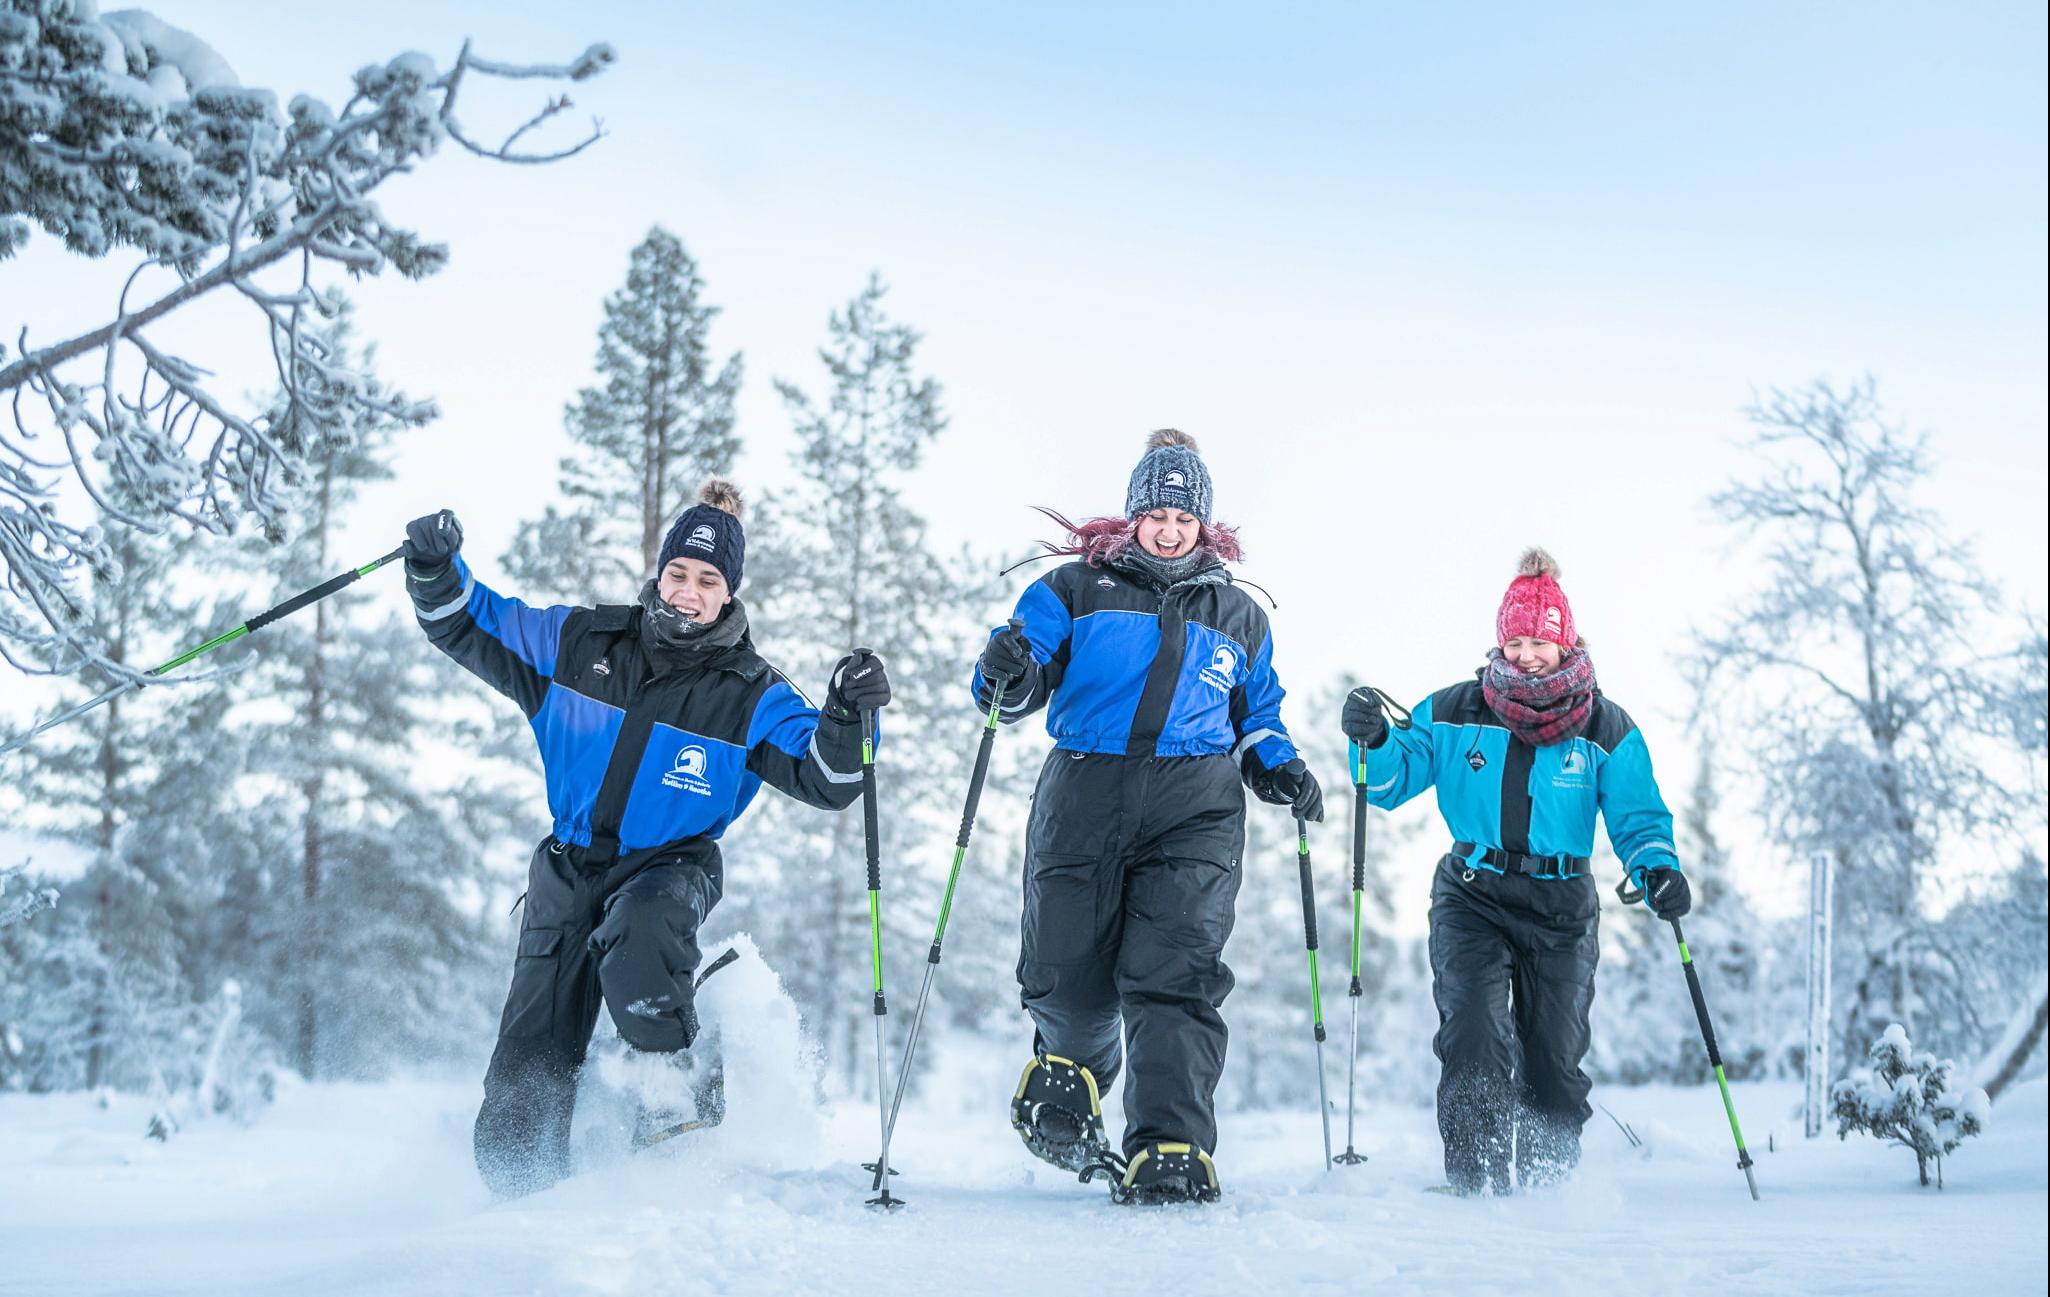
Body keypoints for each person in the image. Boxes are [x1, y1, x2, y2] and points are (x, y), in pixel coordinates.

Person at [402, 479, 891, 1197]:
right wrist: (435, 567)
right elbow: (467, 621)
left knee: (640, 930)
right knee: (516, 1107)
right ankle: (524, 1218)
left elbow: (830, 777)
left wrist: (848, 712)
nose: (688, 591)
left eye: (708, 579)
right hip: (566, 873)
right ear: (659, 573)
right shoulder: (580, 644)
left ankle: (676, 1112)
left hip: (668, 870)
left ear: (730, 593)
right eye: (678, 573)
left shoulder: (749, 692)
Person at [973, 429, 1323, 1205]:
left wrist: (1279, 765)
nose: (1169, 528)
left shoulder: (1239, 616)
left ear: (1205, 524)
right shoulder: (1073, 588)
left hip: (1195, 808)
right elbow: (1020, 673)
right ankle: (1076, 1071)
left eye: (1184, 516)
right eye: (1157, 513)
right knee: (1065, 973)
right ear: (1134, 516)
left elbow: (1257, 714)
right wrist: (1007, 669)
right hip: (1084, 790)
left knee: (1176, 977)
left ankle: (1170, 1142)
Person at [1342, 548, 1687, 1195]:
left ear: (1566, 642)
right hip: (1474, 895)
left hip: (1562, 907)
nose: (1529, 653)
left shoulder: (1605, 728)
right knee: (1473, 1029)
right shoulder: (1455, 710)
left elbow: (1639, 817)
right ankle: (1475, 1184)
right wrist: (1377, 740)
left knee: (1554, 1059)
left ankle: (1548, 1189)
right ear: (1502, 641)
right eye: (1518, 640)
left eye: (1542, 641)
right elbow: (1388, 783)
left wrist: (1656, 866)